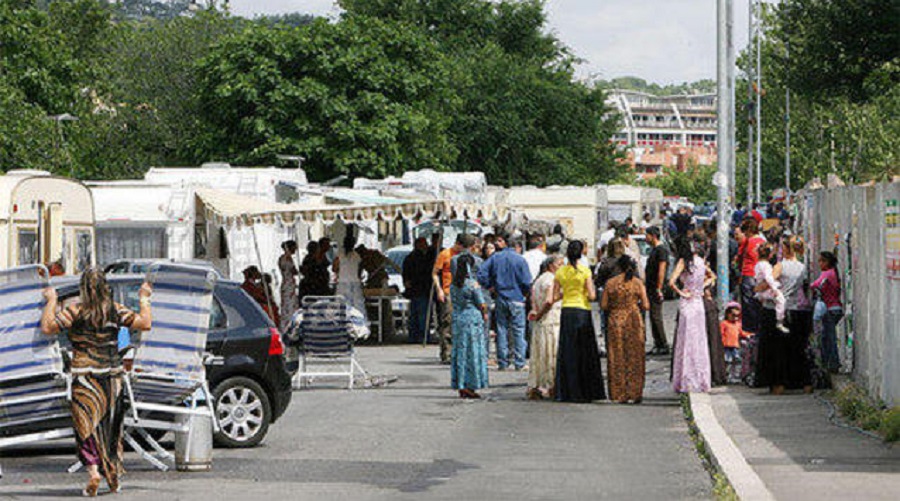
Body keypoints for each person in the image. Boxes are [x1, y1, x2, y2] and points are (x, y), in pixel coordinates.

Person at [40, 269, 153, 496]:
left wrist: (51, 300)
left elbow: (48, 327)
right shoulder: (115, 310)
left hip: (84, 376)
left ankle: (93, 472)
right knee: (111, 428)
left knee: (85, 427)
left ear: (83, 288)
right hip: (112, 377)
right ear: (105, 287)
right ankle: (112, 475)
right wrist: (143, 299)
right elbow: (145, 323)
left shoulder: (75, 311)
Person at [553, 240, 606, 402]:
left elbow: (555, 296)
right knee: (585, 349)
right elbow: (592, 295)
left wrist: (567, 293)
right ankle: (587, 389)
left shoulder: (560, 272)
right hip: (582, 310)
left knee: (568, 350)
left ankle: (567, 390)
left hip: (567, 310)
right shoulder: (585, 271)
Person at [477, 233, 532, 371]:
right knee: (518, 331)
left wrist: (490, 285)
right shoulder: (520, 260)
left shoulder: (495, 257)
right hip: (517, 298)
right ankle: (519, 362)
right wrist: (524, 293)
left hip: (500, 297)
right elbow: (527, 281)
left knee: (501, 330)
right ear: (517, 246)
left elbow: (481, 274)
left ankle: (503, 362)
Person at [669, 236, 715, 393]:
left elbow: (671, 282)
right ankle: (700, 378)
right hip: (698, 301)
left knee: (686, 339)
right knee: (699, 340)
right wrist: (701, 288)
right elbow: (712, 276)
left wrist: (682, 292)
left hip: (688, 302)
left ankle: (686, 379)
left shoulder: (683, 262)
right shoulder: (701, 262)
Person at [601, 255, 650, 404]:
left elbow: (603, 305)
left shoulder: (610, 283)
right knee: (635, 355)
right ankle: (634, 392)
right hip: (633, 319)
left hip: (616, 320)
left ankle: (618, 392)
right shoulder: (637, 283)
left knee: (616, 355)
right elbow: (646, 305)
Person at [450, 253, 489, 399]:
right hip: (472, 319)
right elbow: (481, 304)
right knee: (473, 352)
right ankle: (471, 384)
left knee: (460, 352)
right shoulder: (472, 284)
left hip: (458, 319)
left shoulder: (453, 285)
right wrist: (485, 312)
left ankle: (461, 383)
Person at [526, 254, 564, 400]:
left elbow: (533, 301)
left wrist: (535, 313)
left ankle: (535, 386)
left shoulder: (538, 280)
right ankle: (551, 386)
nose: (561, 267)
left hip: (540, 323)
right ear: (551, 265)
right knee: (551, 353)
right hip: (550, 319)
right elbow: (549, 301)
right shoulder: (551, 279)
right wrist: (540, 314)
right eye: (559, 264)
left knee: (539, 354)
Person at [779, 236, 813, 391]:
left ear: (787, 249)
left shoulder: (782, 266)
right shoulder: (803, 267)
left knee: (786, 347)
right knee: (800, 347)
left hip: (788, 309)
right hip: (802, 309)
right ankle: (805, 383)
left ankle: (788, 382)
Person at [433, 235, 464, 363]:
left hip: (462, 292)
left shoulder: (464, 255)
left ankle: (459, 352)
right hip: (448, 291)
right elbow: (435, 273)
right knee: (448, 322)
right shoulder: (445, 254)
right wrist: (439, 289)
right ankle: (446, 353)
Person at [811, 251, 843, 373]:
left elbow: (816, 284)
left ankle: (832, 363)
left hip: (830, 309)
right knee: (826, 337)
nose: (819, 263)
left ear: (827, 262)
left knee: (829, 338)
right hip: (835, 308)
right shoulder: (833, 272)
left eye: (821, 261)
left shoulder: (827, 273)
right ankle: (829, 362)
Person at [402, 237, 435, 344]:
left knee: (416, 315)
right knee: (421, 315)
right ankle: (422, 336)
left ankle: (415, 336)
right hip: (421, 289)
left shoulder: (411, 257)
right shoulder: (418, 258)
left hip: (418, 290)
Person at [736, 219, 766, 336]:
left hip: (748, 273)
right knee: (758, 303)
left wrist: (740, 272)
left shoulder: (748, 242)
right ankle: (758, 327)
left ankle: (750, 329)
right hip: (760, 275)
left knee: (748, 304)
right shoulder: (763, 241)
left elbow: (740, 257)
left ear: (749, 230)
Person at [644, 227, 670, 356]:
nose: (645, 238)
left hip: (655, 287)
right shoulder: (654, 250)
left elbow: (662, 270)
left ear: (653, 236)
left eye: (647, 235)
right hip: (650, 287)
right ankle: (657, 343)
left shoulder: (661, 250)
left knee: (656, 316)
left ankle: (663, 344)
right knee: (652, 316)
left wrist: (659, 288)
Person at [754, 243, 789, 333]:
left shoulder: (758, 264)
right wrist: (774, 289)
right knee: (781, 300)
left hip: (762, 290)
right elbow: (768, 278)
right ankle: (780, 321)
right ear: (769, 255)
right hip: (767, 289)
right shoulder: (765, 265)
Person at [333, 229, 366, 318]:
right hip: (355, 283)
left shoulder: (339, 255)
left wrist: (340, 272)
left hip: (342, 283)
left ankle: (342, 323)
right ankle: (358, 324)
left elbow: (334, 268)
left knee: (341, 307)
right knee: (357, 307)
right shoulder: (357, 256)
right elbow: (359, 271)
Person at [720, 303, 748, 383]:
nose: (735, 317)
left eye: (737, 316)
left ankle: (735, 376)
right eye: (733, 315)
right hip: (726, 346)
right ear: (727, 314)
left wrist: (749, 334)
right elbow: (721, 334)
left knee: (737, 361)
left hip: (735, 346)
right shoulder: (724, 323)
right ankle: (726, 376)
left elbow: (742, 333)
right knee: (727, 361)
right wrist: (722, 342)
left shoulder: (738, 324)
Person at [278, 240, 299, 332]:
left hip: (285, 283)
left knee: (286, 305)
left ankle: (285, 324)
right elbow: (294, 271)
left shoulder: (281, 258)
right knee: (291, 305)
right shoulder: (288, 258)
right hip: (289, 283)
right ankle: (290, 325)